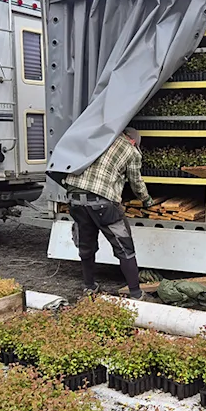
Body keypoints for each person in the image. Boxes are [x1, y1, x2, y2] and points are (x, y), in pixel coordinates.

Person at [62, 127, 154, 299]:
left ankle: (89, 287)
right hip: (103, 203)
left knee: (86, 246)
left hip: (75, 198)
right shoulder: (131, 151)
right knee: (125, 247)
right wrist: (146, 200)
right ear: (133, 141)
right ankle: (136, 293)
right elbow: (136, 182)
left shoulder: (100, 138)